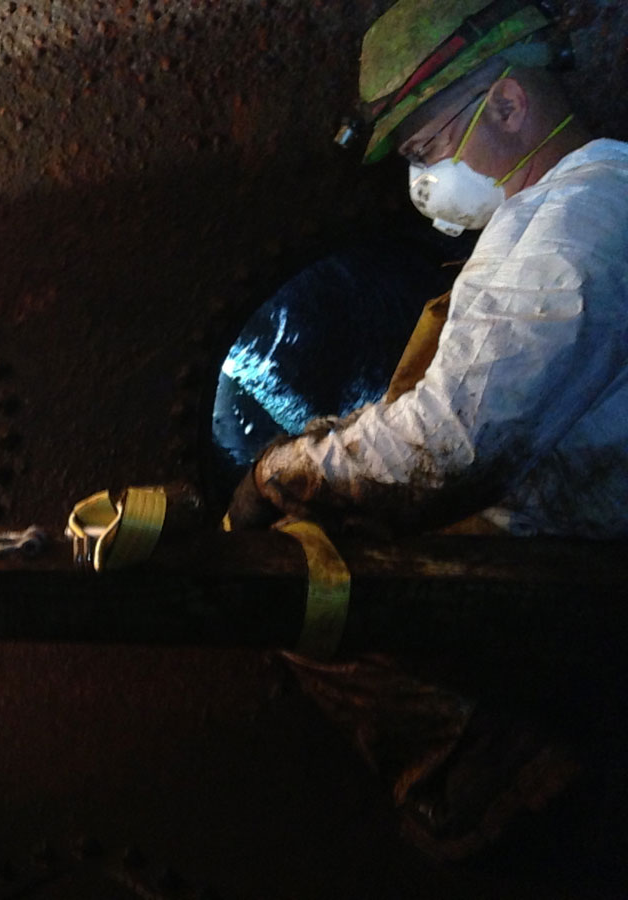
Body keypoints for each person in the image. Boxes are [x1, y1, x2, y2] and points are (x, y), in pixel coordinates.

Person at [227, 0, 628, 859]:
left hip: (571, 565)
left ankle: (487, 768)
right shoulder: (560, 213)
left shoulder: (575, 224)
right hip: (569, 535)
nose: (420, 182)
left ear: (511, 105)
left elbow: (453, 443)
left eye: (423, 149)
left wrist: (281, 472)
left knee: (298, 590)